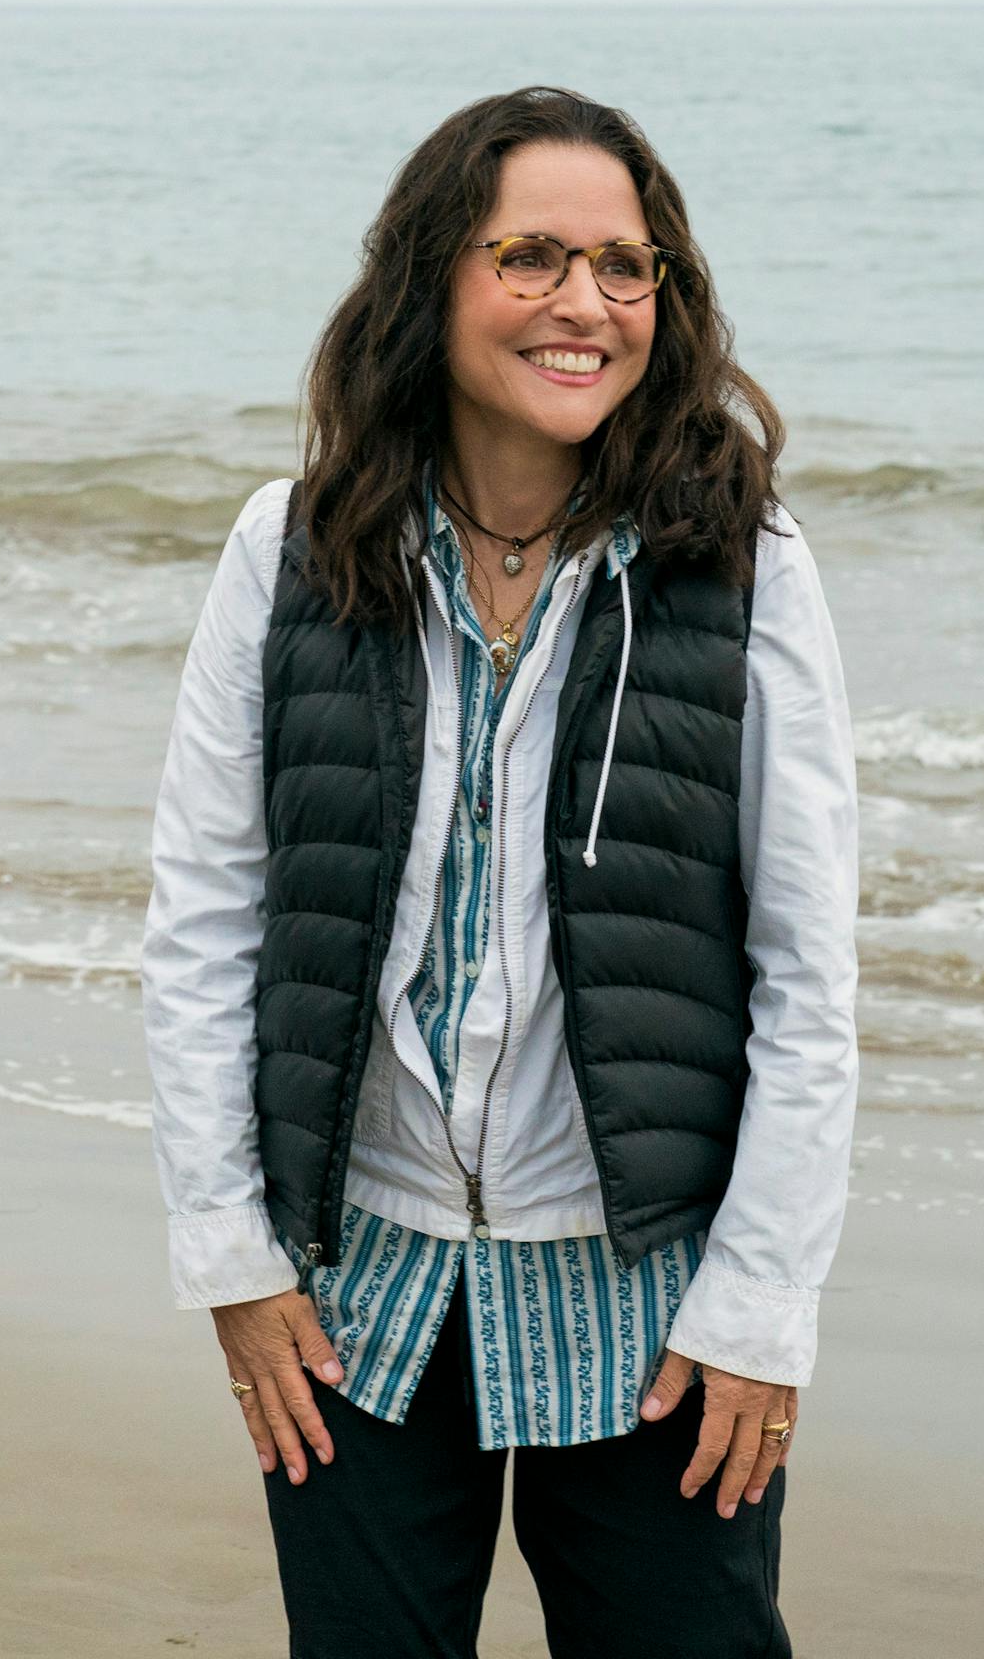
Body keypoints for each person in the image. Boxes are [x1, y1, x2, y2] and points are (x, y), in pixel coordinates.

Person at [141, 86, 858, 1657]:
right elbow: (205, 922)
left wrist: (760, 1309)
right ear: (427, 281)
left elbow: (807, 977)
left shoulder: (741, 567)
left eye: (627, 265)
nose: (584, 305)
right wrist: (234, 1259)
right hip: (357, 1300)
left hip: (656, 1308)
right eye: (529, 255)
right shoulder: (291, 547)